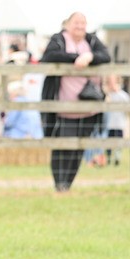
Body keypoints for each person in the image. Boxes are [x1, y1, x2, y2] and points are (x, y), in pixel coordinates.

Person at [40, 12, 110, 191]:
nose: (80, 26)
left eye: (83, 23)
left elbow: (105, 56)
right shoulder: (58, 40)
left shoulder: (92, 41)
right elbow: (49, 56)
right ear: (68, 24)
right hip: (64, 106)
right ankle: (59, 183)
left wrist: (89, 57)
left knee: (79, 148)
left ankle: (68, 184)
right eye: (76, 23)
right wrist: (75, 58)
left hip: (89, 106)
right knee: (62, 147)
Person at [102, 74, 129, 165]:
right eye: (110, 82)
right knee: (108, 141)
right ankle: (108, 157)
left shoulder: (122, 94)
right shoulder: (106, 94)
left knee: (119, 141)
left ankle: (117, 157)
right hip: (108, 124)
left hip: (119, 123)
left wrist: (117, 91)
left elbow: (127, 103)